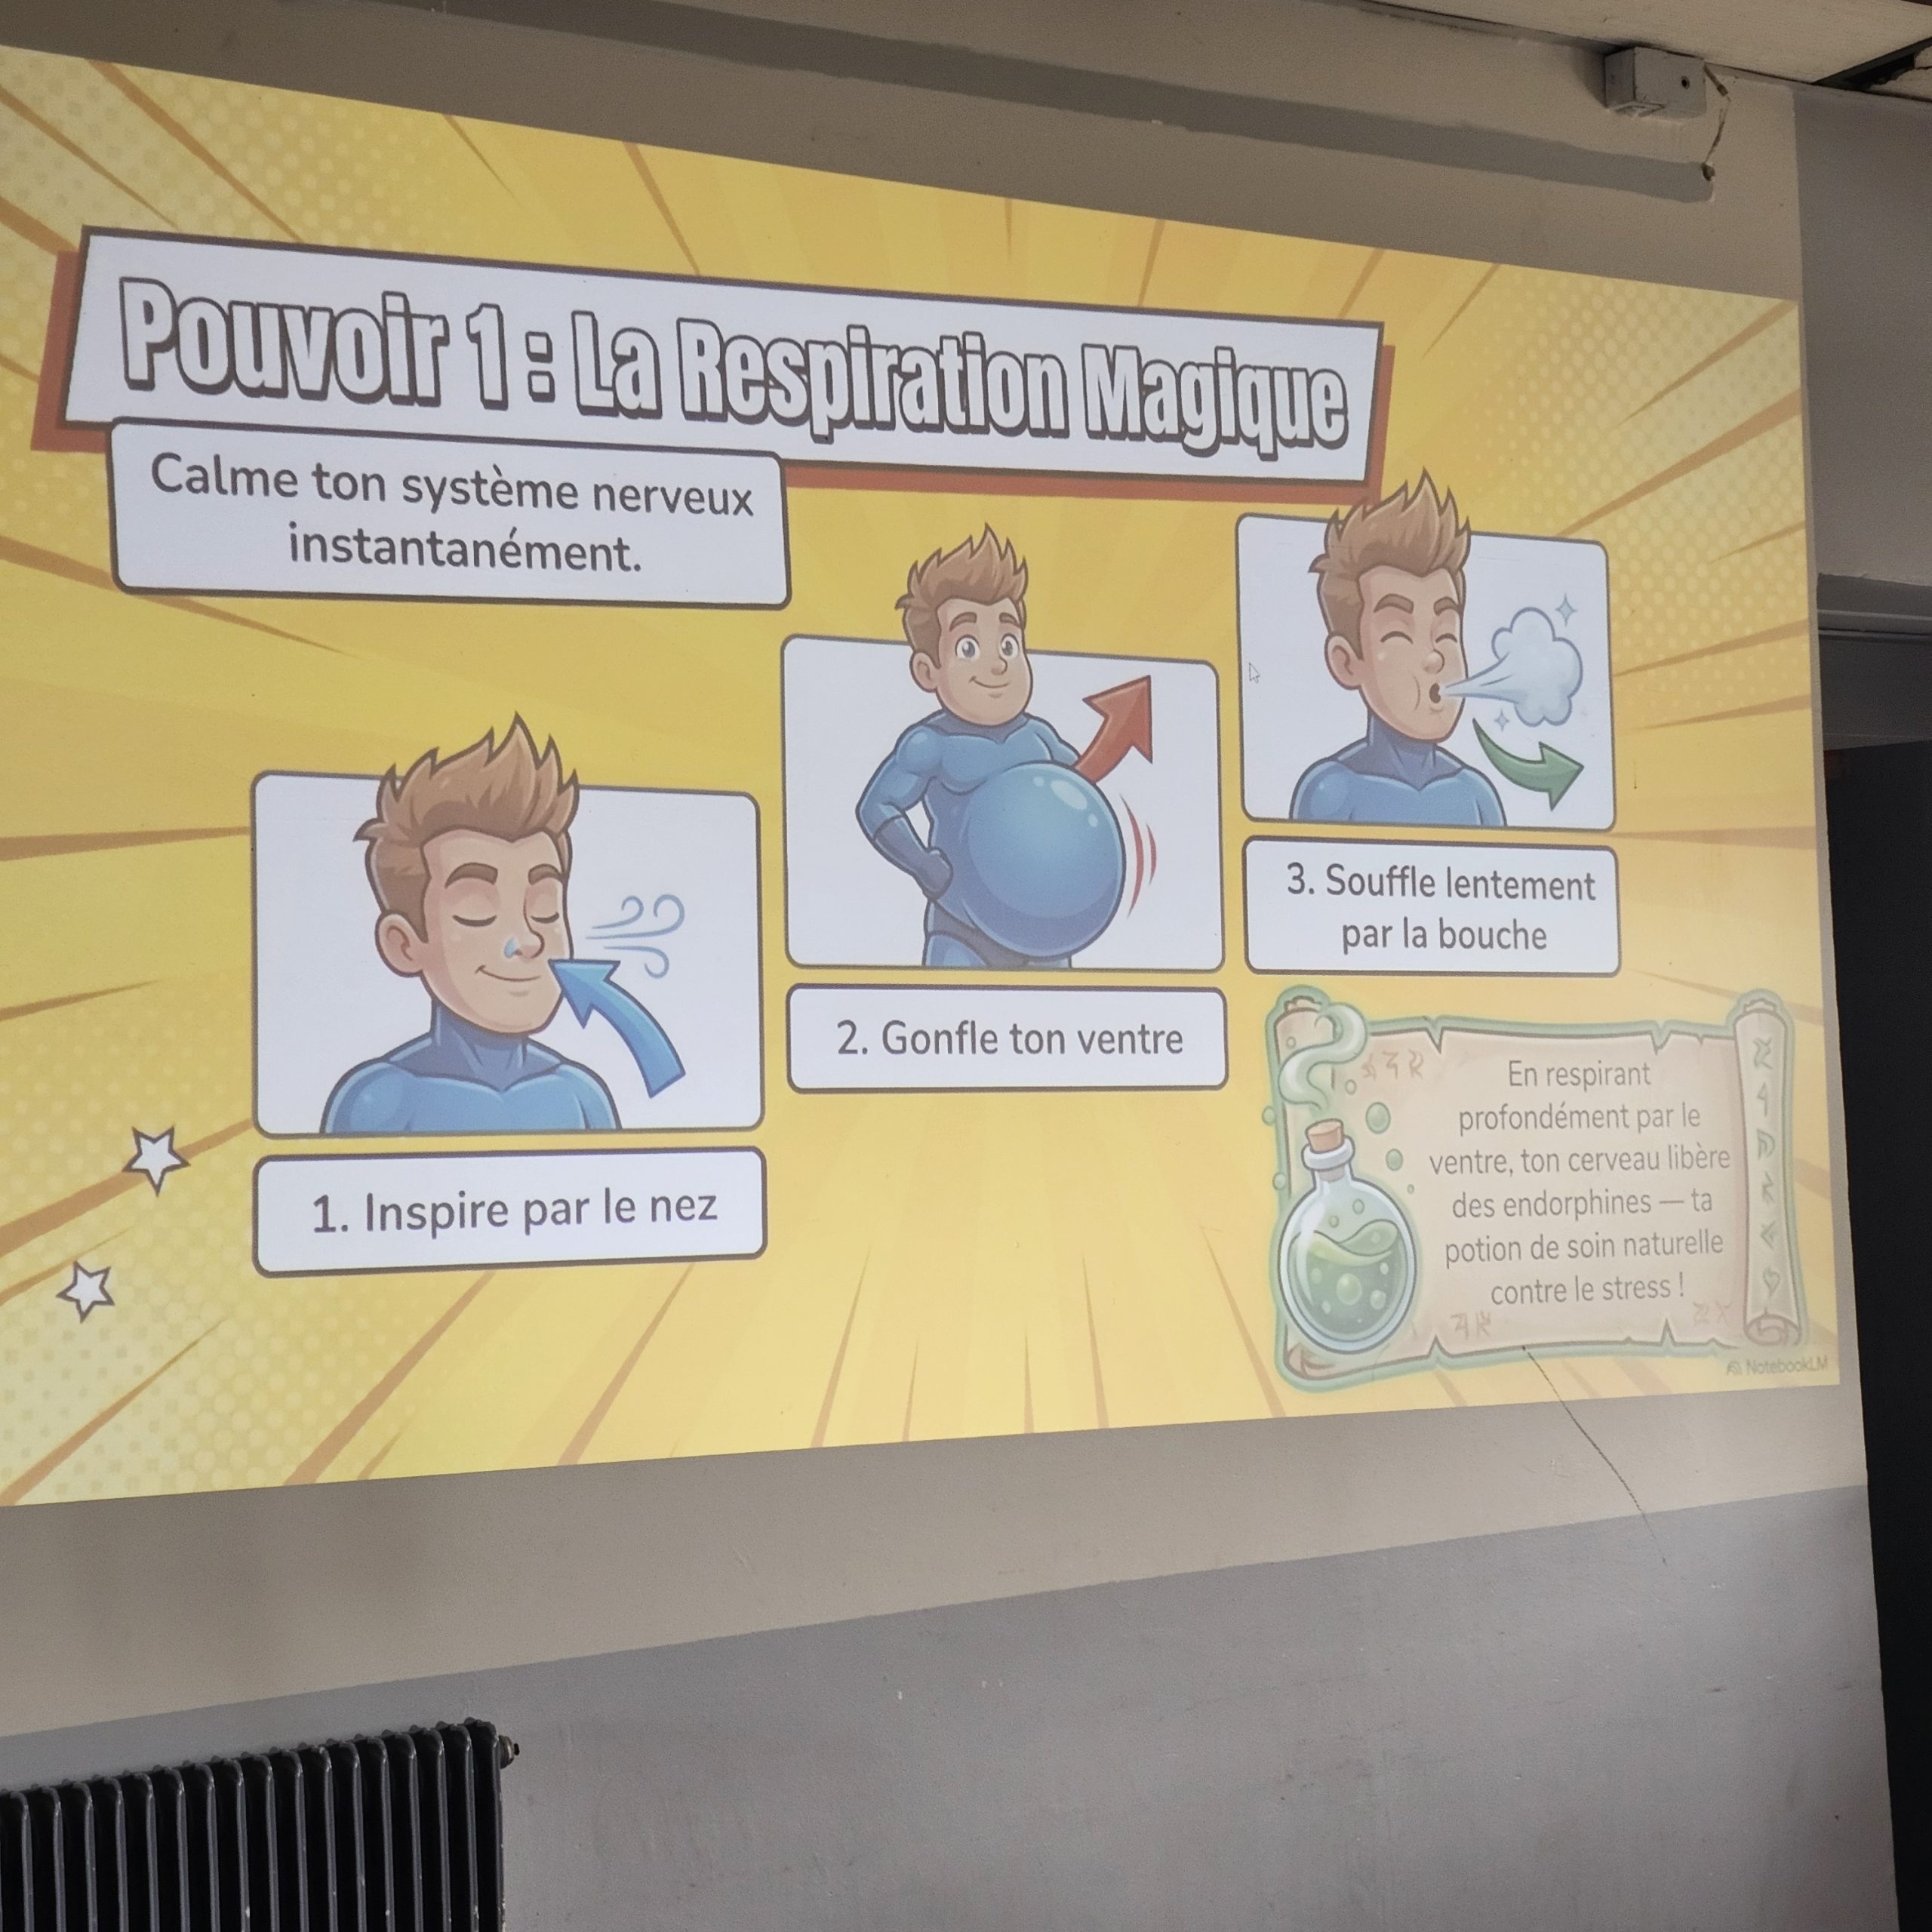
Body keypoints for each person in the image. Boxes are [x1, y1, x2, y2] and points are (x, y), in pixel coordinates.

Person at [322, 720, 620, 1133]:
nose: (528, 940)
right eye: (477, 909)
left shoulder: (581, 1096)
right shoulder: (382, 1101)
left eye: (544, 909)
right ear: (404, 944)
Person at [856, 527, 1090, 968]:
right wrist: (922, 864)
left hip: (1043, 937)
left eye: (1009, 644)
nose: (997, 663)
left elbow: (1087, 795)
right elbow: (877, 807)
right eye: (969, 647)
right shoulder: (931, 745)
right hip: (961, 933)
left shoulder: (1039, 739)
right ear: (927, 671)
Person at [1290, 474, 1505, 828]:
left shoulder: (1476, 796)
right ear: (1347, 662)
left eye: (1445, 633)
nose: (1434, 657)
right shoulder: (1333, 792)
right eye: (1398, 634)